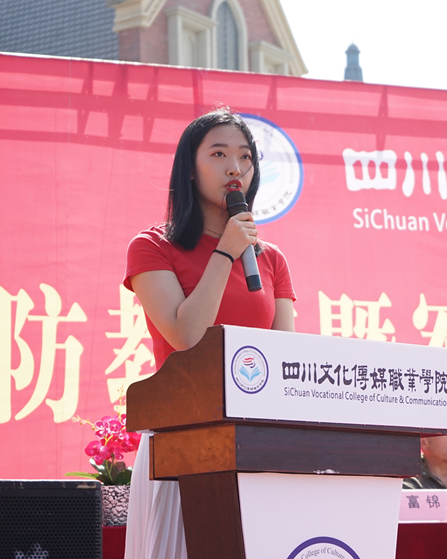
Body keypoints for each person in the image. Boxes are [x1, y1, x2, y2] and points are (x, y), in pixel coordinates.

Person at [123, 108, 296, 559]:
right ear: (189, 167)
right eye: (218, 154)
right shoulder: (152, 247)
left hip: (255, 444)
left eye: (245, 157)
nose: (234, 167)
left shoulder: (271, 259)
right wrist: (225, 254)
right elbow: (185, 336)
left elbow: (286, 359)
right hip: (181, 440)